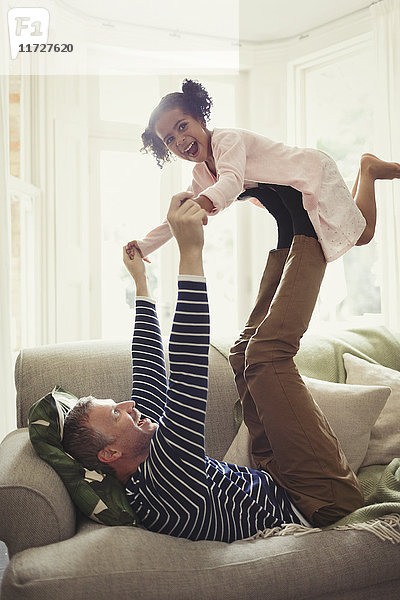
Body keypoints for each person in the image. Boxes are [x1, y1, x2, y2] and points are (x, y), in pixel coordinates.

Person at [63, 192, 363, 542]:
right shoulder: (161, 488)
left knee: (243, 353)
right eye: (116, 414)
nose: (129, 406)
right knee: (268, 357)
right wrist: (190, 251)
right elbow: (187, 374)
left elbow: (147, 371)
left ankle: (288, 230)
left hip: (274, 473)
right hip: (320, 505)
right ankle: (307, 229)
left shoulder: (147, 454)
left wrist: (141, 285)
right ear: (110, 453)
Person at [126, 78, 400, 263]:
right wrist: (144, 245)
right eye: (170, 140)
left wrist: (202, 202)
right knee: (352, 225)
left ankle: (369, 169)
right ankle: (366, 172)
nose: (180, 140)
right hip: (297, 190)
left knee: (362, 235)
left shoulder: (227, 140)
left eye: (182, 126)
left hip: (312, 173)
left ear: (199, 118)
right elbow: (177, 217)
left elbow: (231, 181)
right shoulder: (201, 173)